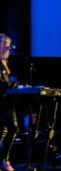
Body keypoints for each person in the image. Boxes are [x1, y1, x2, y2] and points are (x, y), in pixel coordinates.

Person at [0, 33, 17, 171]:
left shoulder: (6, 64)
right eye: (6, 46)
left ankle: (3, 159)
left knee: (4, 130)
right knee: (12, 128)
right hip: (2, 103)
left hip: (7, 102)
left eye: (9, 46)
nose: (8, 49)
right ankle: (4, 159)